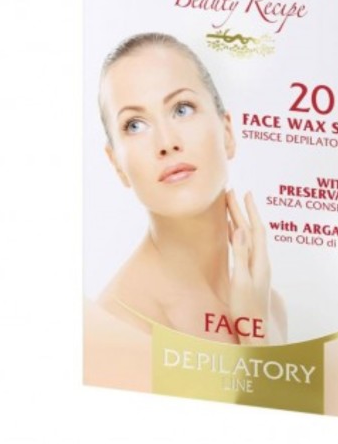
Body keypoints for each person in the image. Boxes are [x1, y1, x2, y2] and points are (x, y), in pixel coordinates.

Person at [92, 32, 287, 346]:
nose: (167, 142)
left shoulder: (267, 307)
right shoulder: (119, 327)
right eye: (135, 125)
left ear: (227, 133)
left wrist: (255, 326)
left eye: (182, 109)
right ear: (117, 164)